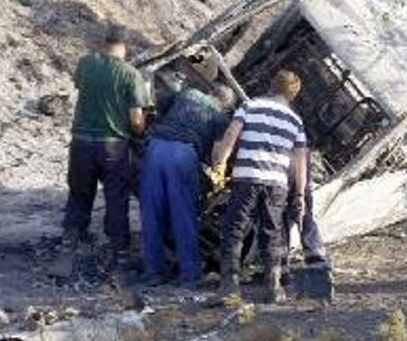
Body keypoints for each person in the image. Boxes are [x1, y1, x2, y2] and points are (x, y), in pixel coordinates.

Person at [211, 70, 308, 304]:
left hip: (247, 177)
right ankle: (273, 288)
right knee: (272, 232)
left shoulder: (250, 106)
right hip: (277, 184)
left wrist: (220, 161)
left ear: (271, 85)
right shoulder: (296, 121)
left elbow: (232, 134)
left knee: (234, 228)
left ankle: (229, 287)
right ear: (292, 95)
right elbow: (300, 161)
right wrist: (300, 194)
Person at [61, 26, 149, 268]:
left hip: (80, 143)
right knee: (116, 197)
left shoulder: (85, 64)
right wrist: (140, 135)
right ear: (126, 46)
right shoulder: (130, 74)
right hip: (112, 146)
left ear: (104, 42)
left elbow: (81, 87)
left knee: (79, 193)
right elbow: (136, 119)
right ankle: (119, 252)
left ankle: (69, 243)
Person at [138, 84, 236, 287]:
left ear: (212, 92)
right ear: (226, 105)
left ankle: (153, 272)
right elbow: (218, 156)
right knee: (184, 214)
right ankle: (190, 275)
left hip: (155, 149)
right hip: (182, 155)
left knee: (151, 212)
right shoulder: (220, 117)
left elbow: (160, 104)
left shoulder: (189, 93)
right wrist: (219, 177)